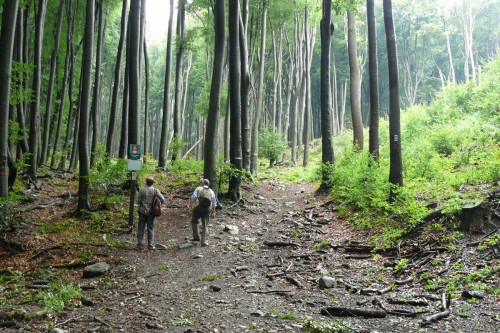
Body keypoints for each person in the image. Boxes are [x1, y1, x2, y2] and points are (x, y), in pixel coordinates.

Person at [137, 176, 165, 250]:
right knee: (150, 228)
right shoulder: (155, 190)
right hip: (152, 212)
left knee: (141, 227)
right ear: (153, 183)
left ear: (146, 182)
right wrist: (157, 203)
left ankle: (140, 243)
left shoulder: (142, 190)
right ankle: (150, 245)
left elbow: (138, 201)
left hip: (142, 211)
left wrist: (142, 203)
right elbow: (162, 199)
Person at [188, 179, 216, 246]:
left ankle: (196, 237)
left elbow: (193, 198)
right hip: (207, 209)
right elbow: (214, 203)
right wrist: (213, 212)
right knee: (205, 225)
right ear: (208, 184)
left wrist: (190, 207)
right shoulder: (211, 191)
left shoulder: (199, 188)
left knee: (194, 221)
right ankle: (203, 242)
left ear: (202, 183)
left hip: (198, 207)